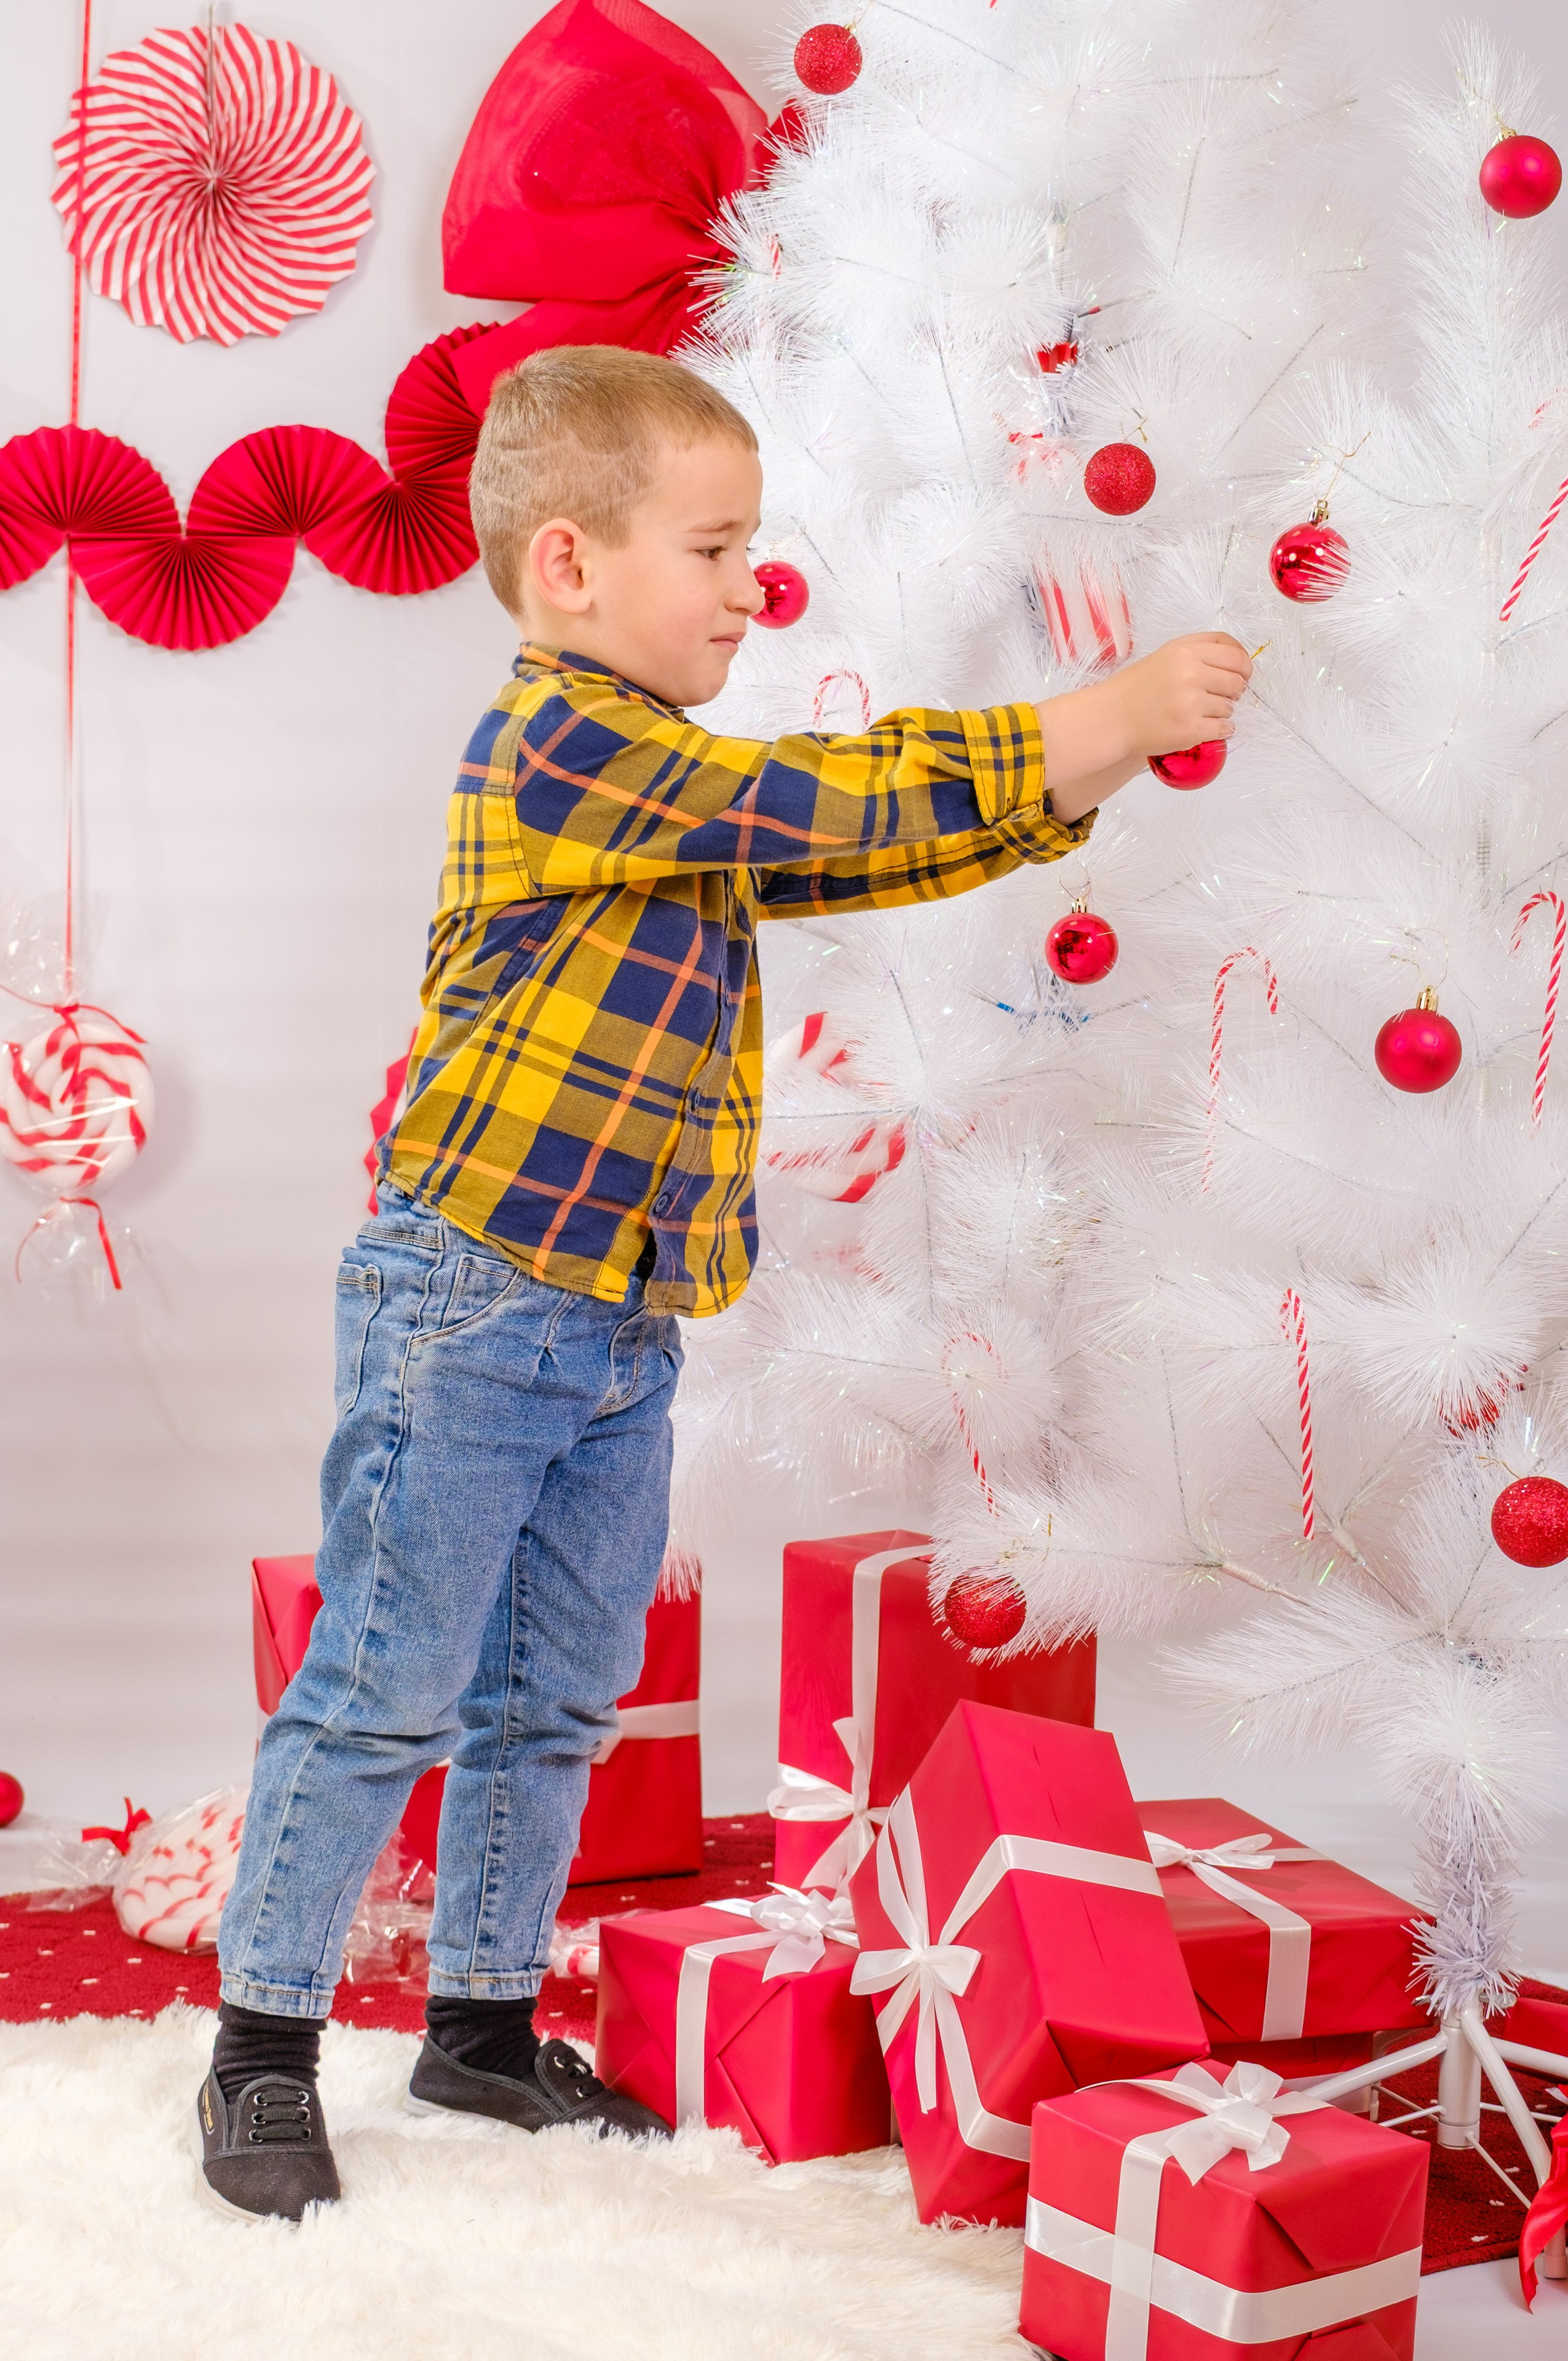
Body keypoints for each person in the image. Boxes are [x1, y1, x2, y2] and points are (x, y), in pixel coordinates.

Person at [199, 344, 1252, 2221]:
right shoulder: (565, 744)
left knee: (563, 1690)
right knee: (387, 1679)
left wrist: (1068, 784)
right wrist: (1083, 720)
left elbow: (850, 849)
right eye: (714, 548)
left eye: (756, 545)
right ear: (569, 568)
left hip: (614, 1321)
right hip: (472, 1302)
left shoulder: (670, 793)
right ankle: (262, 2050)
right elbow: (820, 807)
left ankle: (484, 2023)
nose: (753, 588)